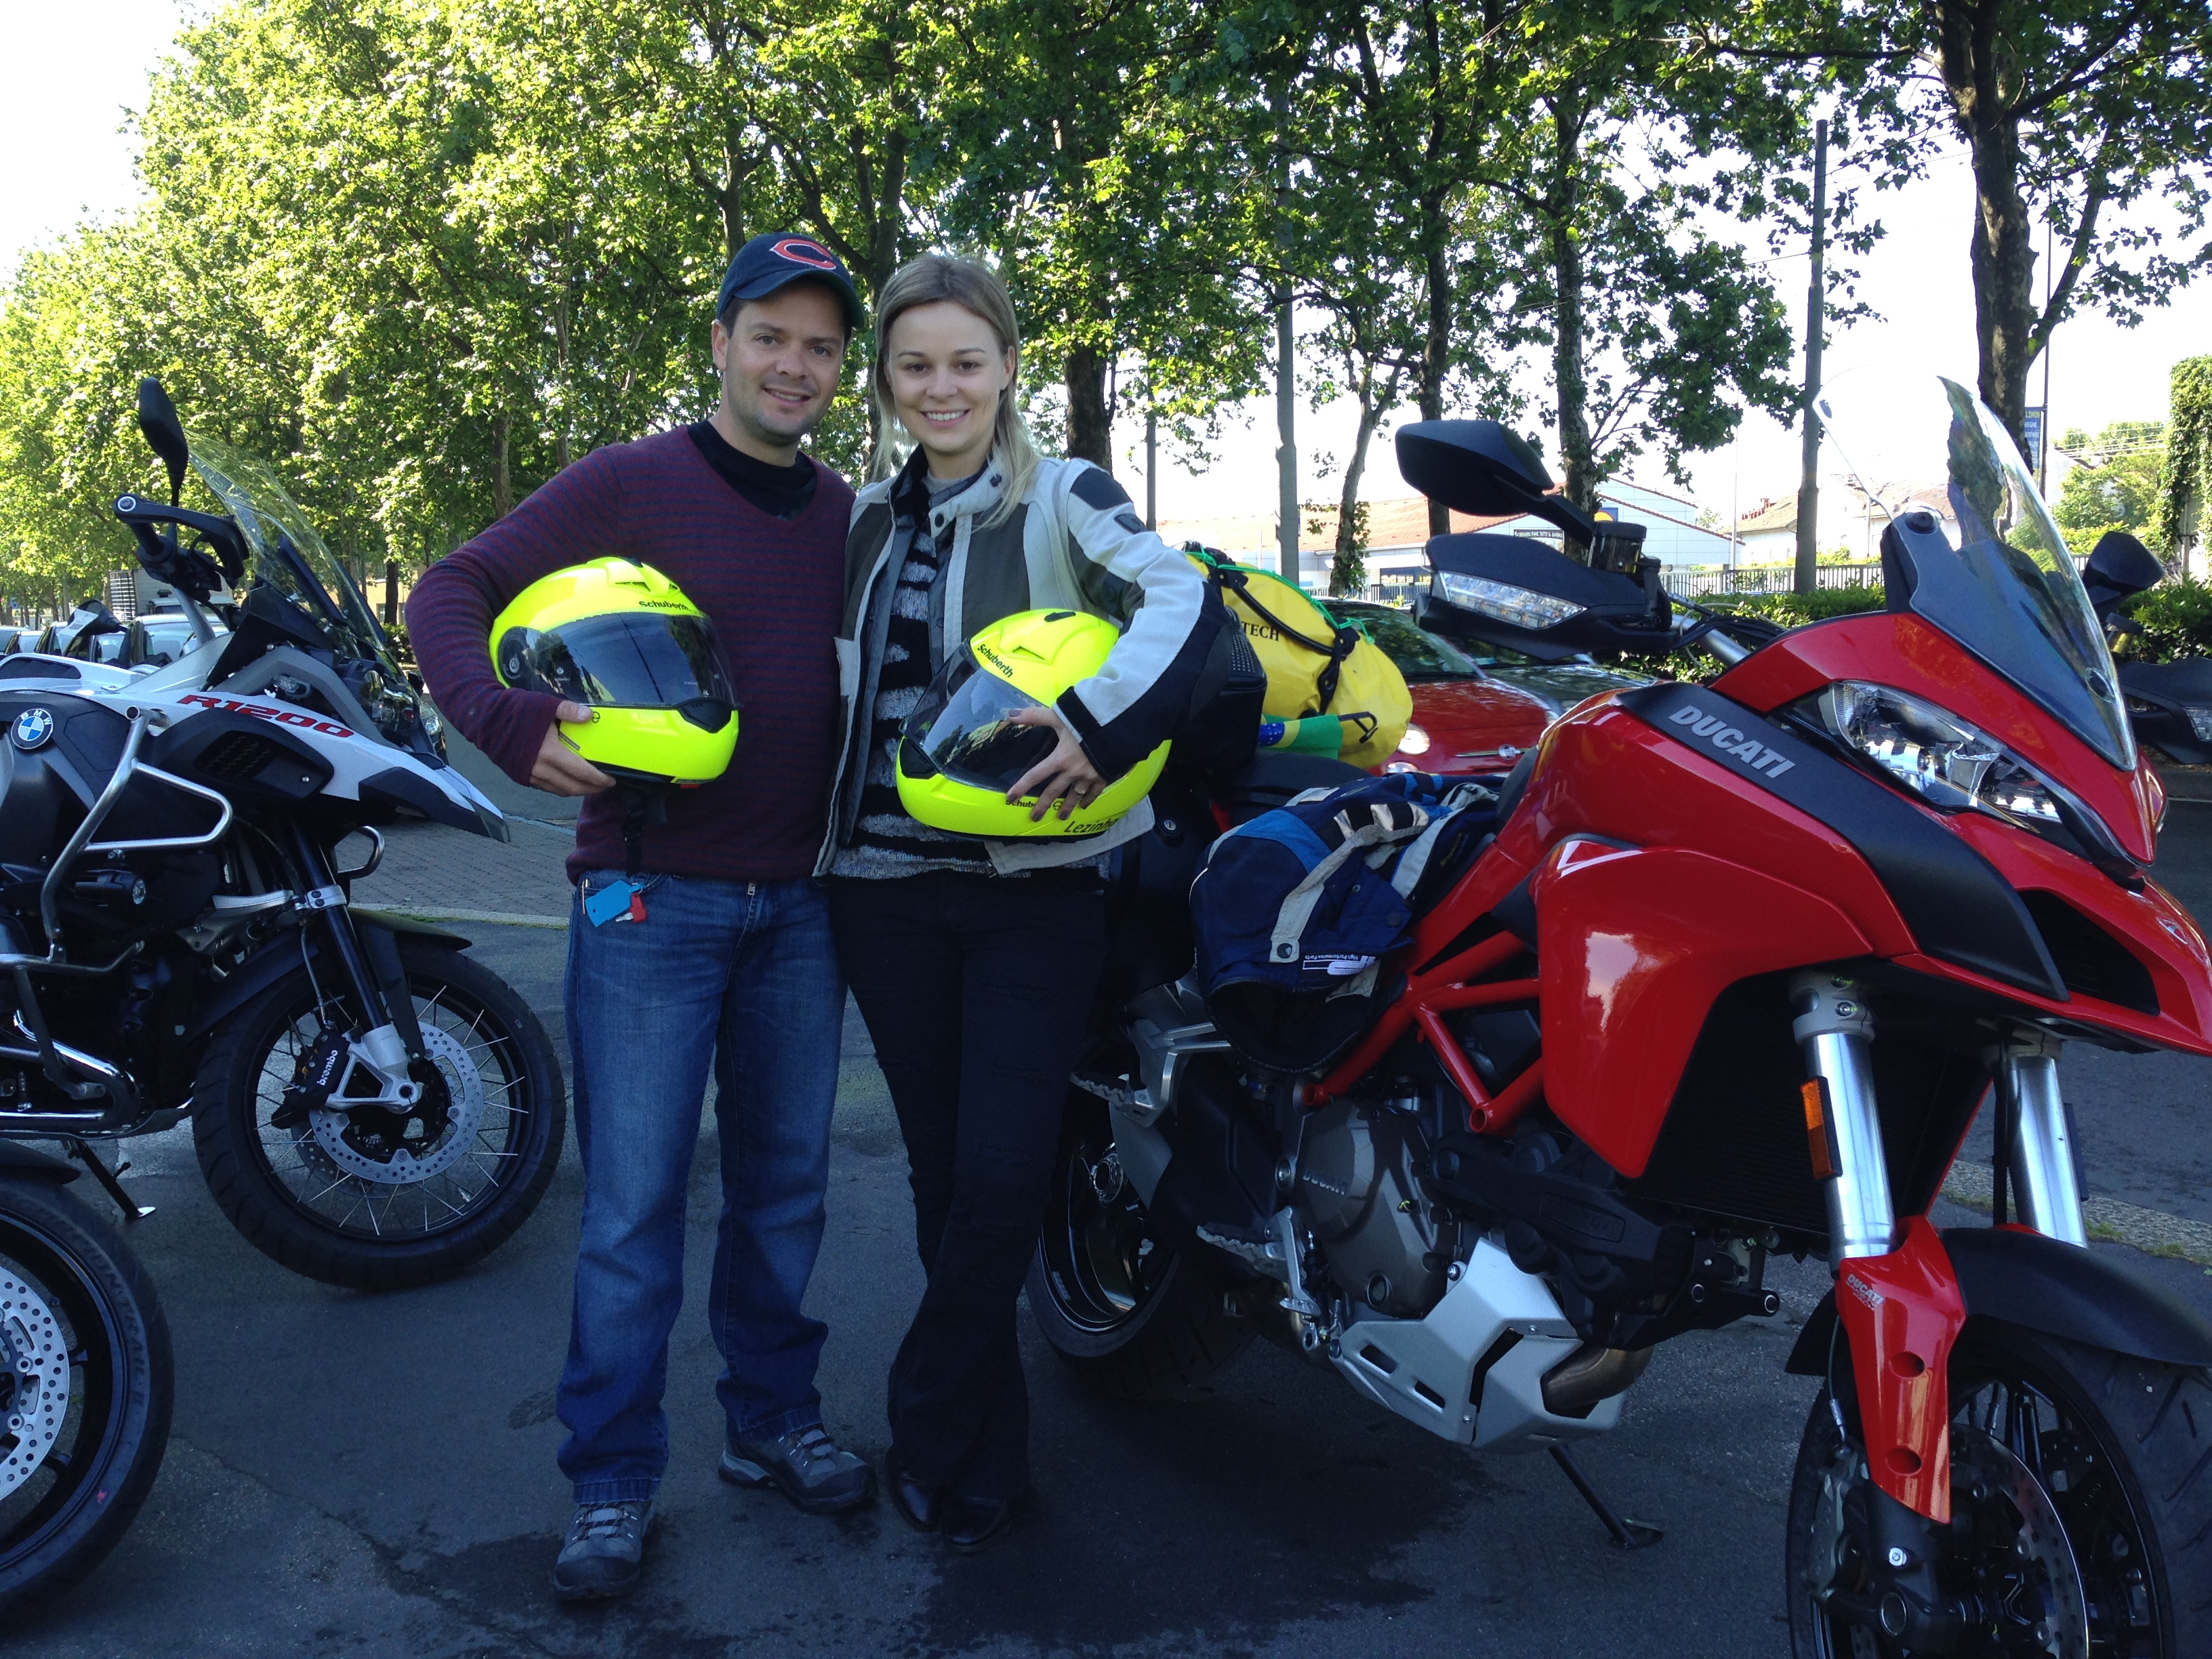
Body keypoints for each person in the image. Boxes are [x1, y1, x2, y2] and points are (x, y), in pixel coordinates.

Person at [407, 232, 874, 1603]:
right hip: (648, 901)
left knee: (786, 1191)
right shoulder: (628, 481)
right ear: (721, 342)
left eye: (820, 346)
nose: (793, 365)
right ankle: (611, 1479)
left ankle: (770, 1419)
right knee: (631, 1211)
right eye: (770, 336)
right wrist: (506, 720)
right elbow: (447, 592)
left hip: (807, 904)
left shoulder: (853, 514)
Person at [821, 253, 1223, 1551]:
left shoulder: (1065, 494)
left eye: (966, 361)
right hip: (878, 894)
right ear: (887, 381)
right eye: (915, 365)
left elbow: (1183, 597)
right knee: (947, 1180)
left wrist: (1099, 729)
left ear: (1006, 367)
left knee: (1002, 1178)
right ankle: (977, 1457)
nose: (941, 387)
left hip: (1031, 895)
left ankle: (926, 1412)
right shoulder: (863, 521)